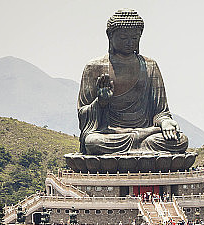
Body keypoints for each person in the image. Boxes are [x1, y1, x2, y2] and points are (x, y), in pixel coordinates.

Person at [77, 9, 189, 155]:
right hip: (111, 135)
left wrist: (165, 122)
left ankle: (135, 149)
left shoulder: (150, 66)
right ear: (110, 36)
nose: (130, 43)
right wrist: (102, 101)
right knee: (93, 143)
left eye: (134, 38)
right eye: (123, 38)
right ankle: (141, 152)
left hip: (147, 133)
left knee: (180, 141)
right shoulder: (94, 67)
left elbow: (160, 112)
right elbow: (83, 113)